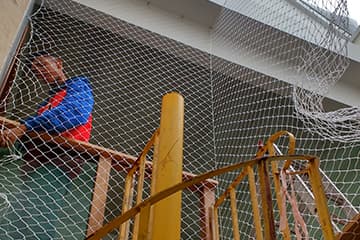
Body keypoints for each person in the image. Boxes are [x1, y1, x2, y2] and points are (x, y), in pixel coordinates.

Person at [0, 52, 94, 239]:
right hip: (38, 163)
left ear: (58, 63)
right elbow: (40, 132)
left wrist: (23, 128)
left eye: (43, 65)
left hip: (60, 159)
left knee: (38, 219)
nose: (40, 72)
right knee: (17, 217)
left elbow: (73, 114)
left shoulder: (78, 86)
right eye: (35, 71)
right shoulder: (48, 102)